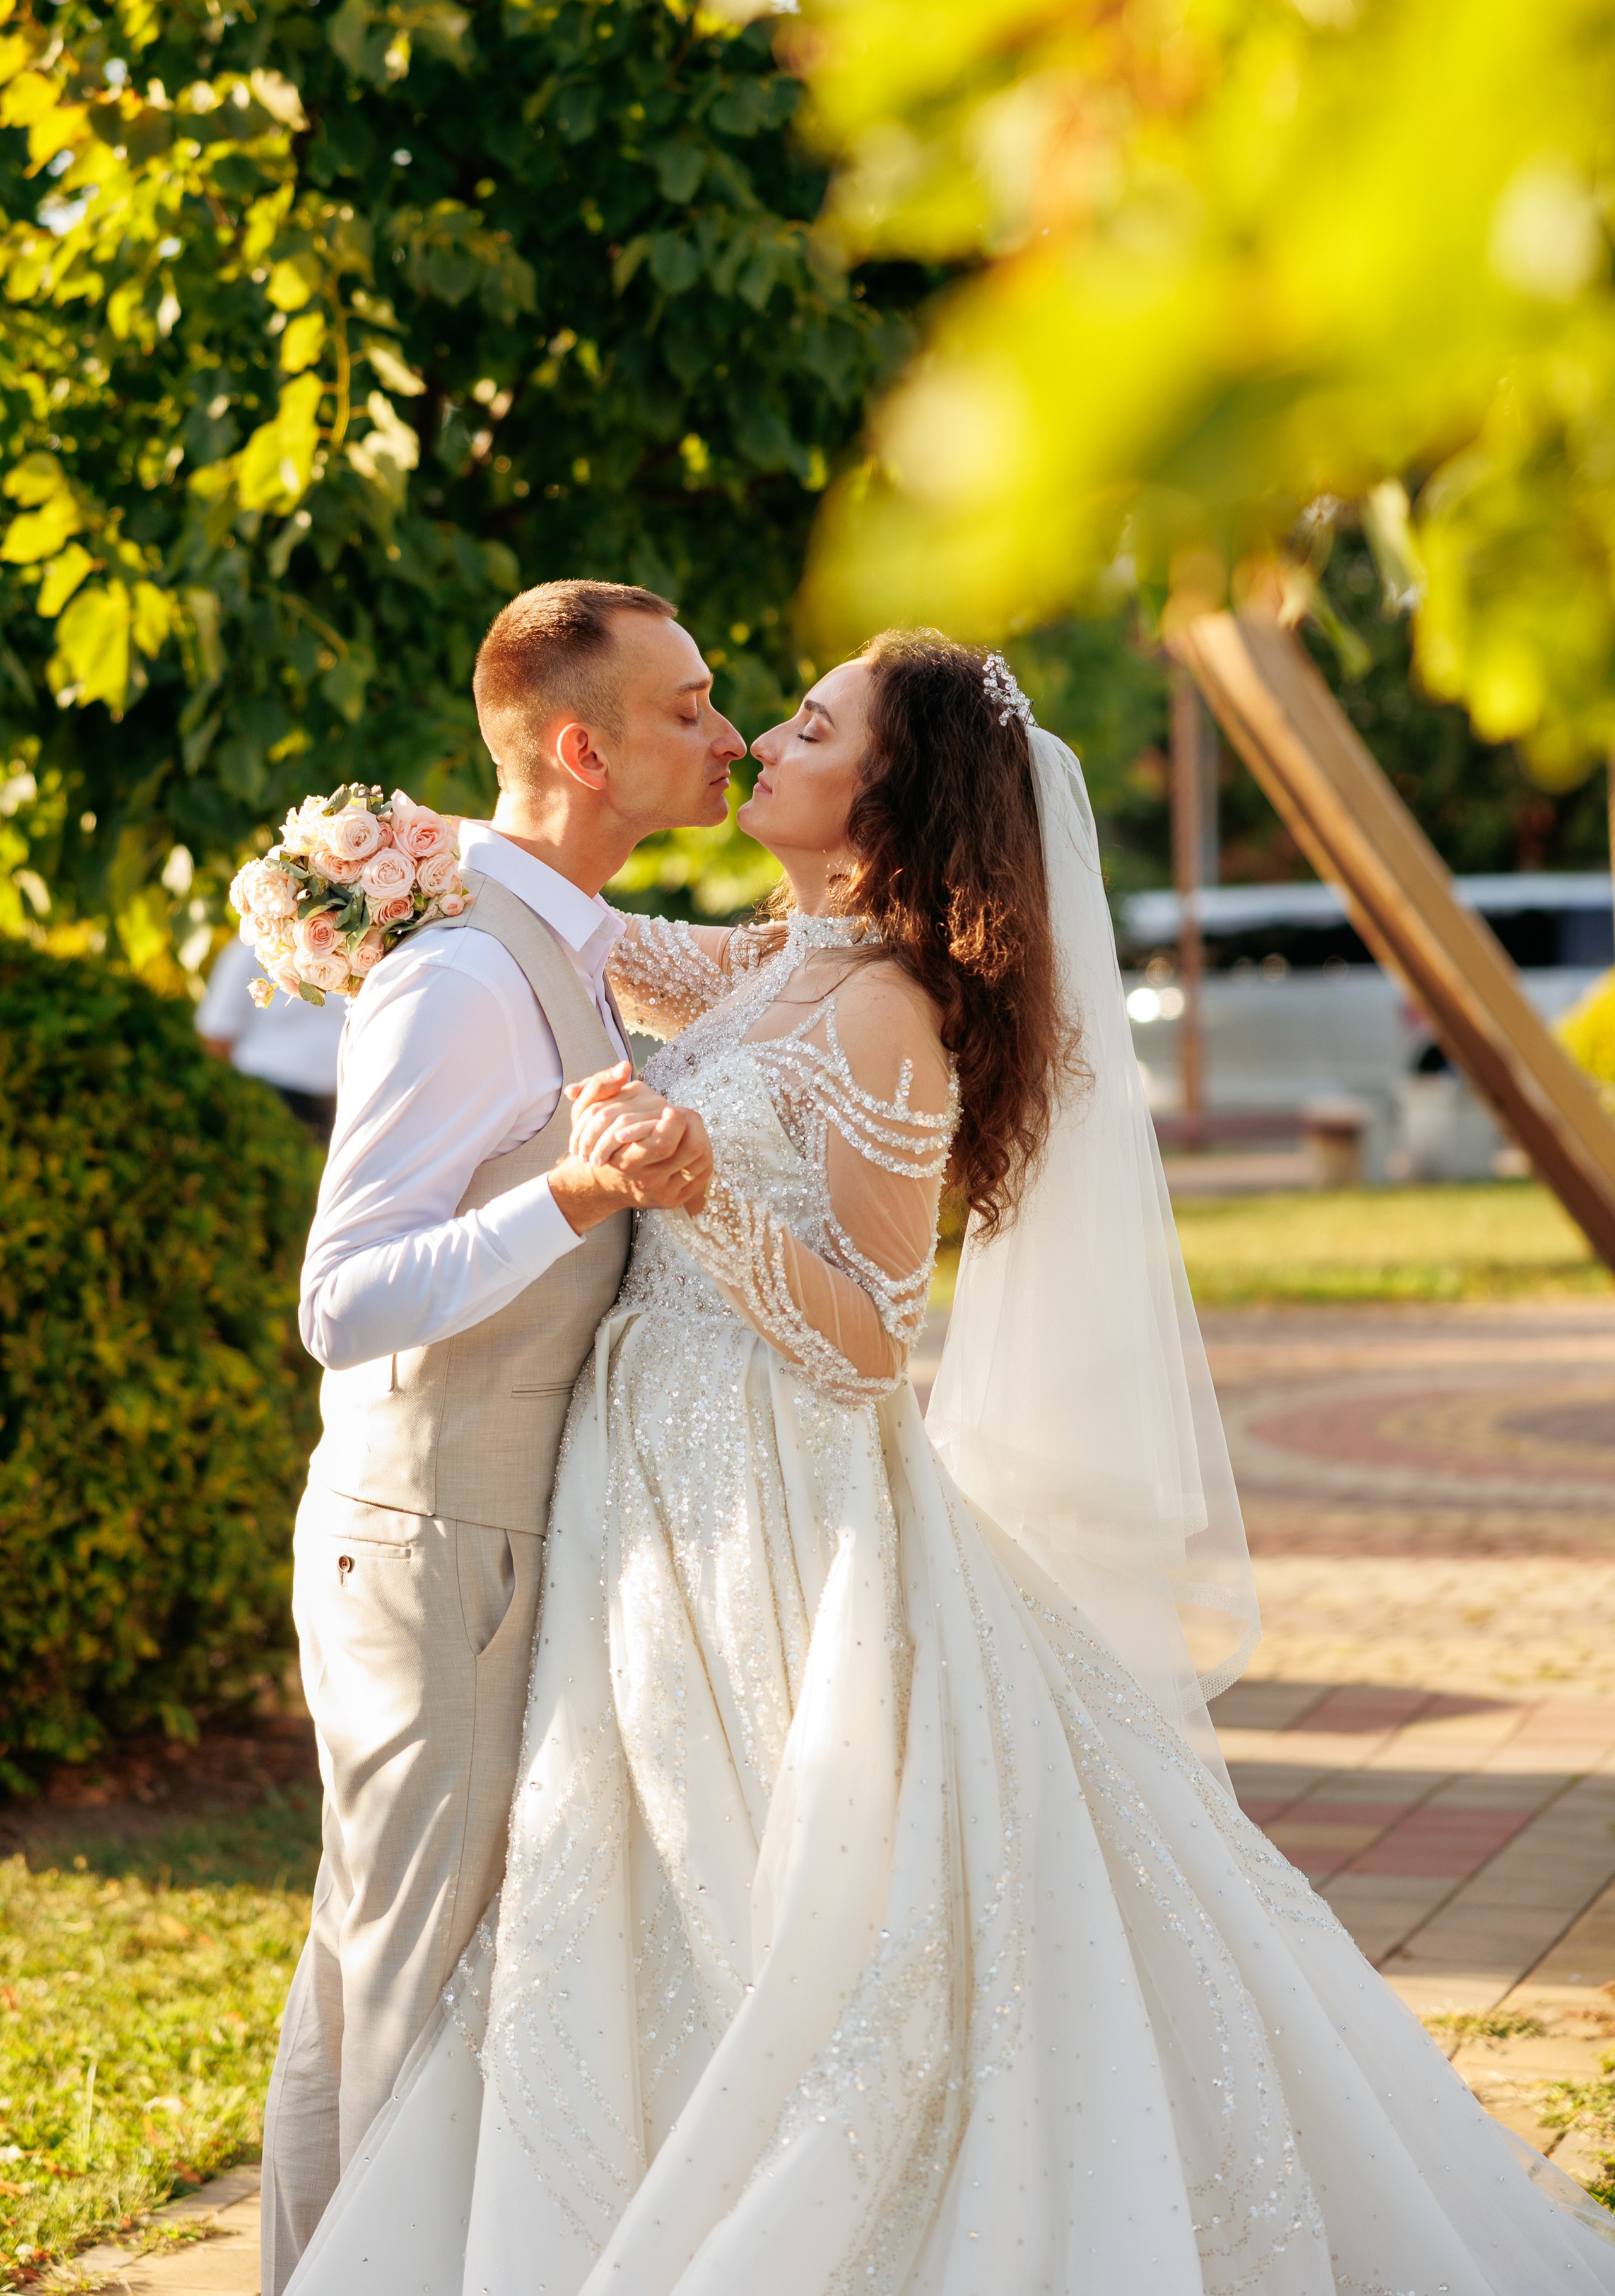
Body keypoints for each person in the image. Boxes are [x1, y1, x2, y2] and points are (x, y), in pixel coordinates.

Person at [284, 632, 1615, 2295]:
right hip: (647, 1485)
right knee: (630, 1887)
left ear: (888, 792)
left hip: (783, 1505)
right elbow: (566, 912)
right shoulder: (763, 962)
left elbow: (868, 1340)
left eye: (812, 723)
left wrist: (698, 1194)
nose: (765, 736)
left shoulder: (896, 1013)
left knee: (801, 1906)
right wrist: (382, 860)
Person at [260, 579, 742, 2296]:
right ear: (581, 746)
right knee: (396, 1968)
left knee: (416, 1959)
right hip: (426, 1540)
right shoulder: (463, 977)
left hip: (495, 1536)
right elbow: (344, 1300)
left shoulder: (575, 948)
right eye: (690, 708)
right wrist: (569, 1190)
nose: (729, 734)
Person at [195, 933, 348, 1141]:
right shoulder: (250, 949)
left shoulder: (353, 950)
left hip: (336, 1105)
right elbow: (216, 1036)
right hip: (264, 1095)